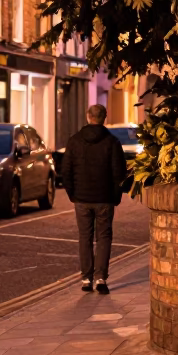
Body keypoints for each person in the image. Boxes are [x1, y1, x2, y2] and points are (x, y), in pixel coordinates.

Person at [60, 104, 126, 294]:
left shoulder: (74, 141)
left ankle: (86, 278)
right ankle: (100, 278)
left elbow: (66, 171)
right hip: (104, 198)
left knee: (85, 237)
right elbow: (119, 173)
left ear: (88, 116)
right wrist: (115, 196)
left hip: (82, 198)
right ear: (105, 117)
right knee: (104, 237)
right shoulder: (112, 142)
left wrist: (72, 194)